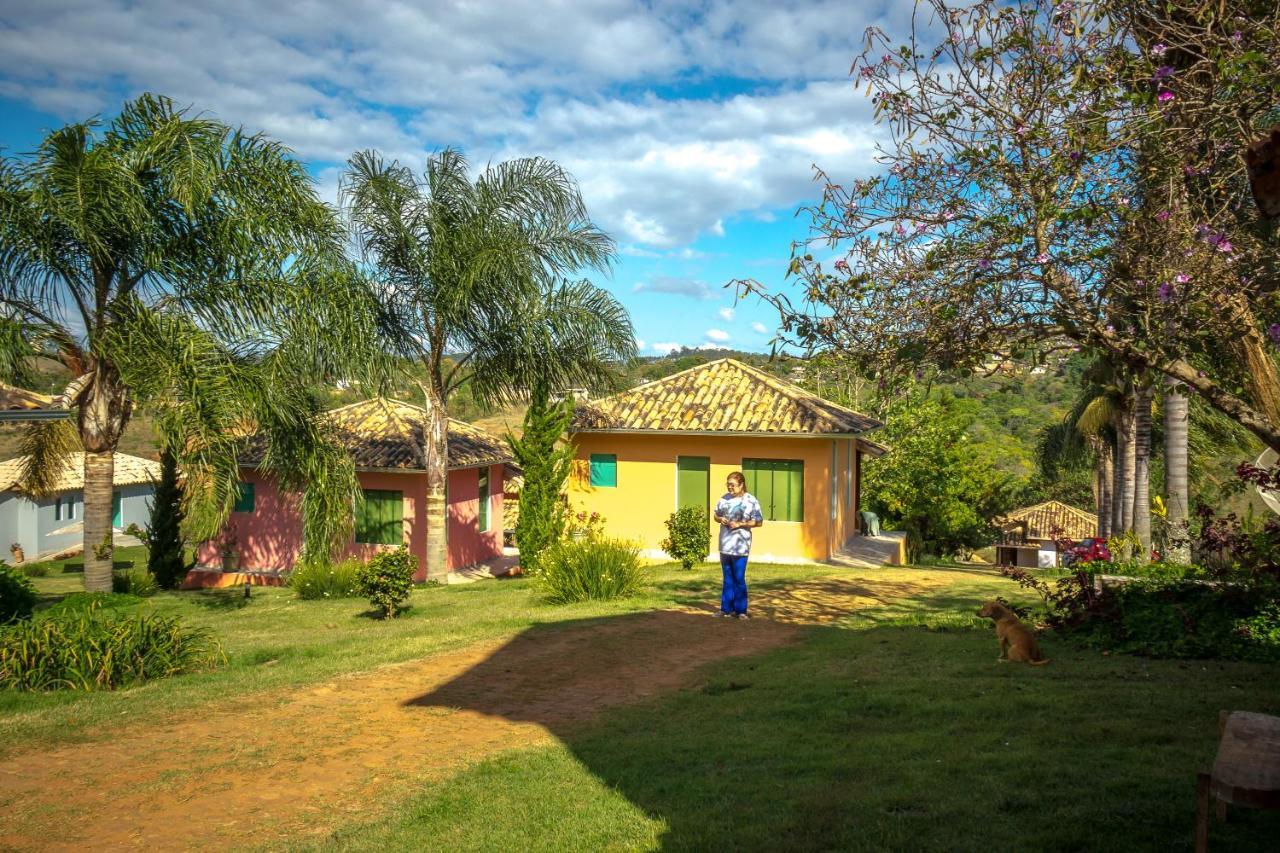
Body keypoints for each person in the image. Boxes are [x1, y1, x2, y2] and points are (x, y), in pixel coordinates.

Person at [713, 471, 764, 619]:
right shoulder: (723, 499)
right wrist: (720, 519)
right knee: (727, 578)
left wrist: (740, 524)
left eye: (732, 485)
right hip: (725, 545)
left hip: (740, 546)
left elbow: (759, 522)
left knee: (739, 578)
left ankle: (741, 611)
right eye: (728, 484)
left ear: (741, 485)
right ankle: (725, 609)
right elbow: (716, 515)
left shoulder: (751, 501)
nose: (730, 487)